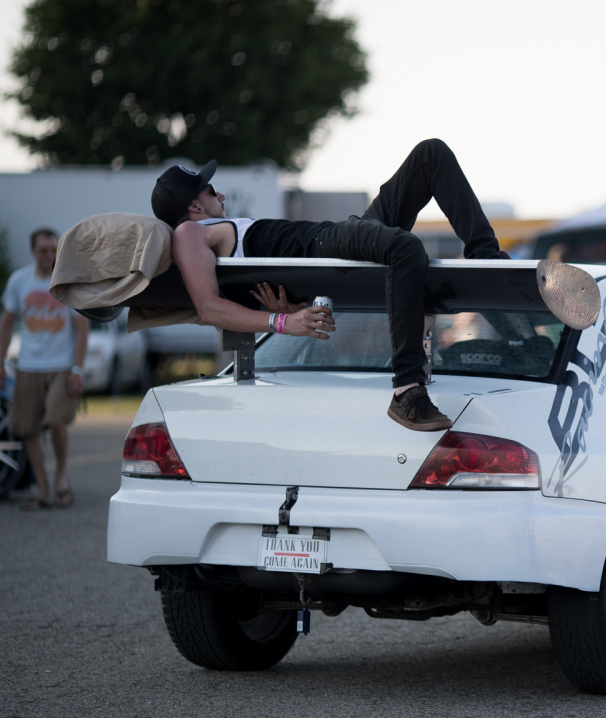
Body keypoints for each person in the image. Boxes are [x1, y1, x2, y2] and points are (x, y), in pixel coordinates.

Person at [155, 138, 507, 432]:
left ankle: (488, 259)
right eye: (211, 190)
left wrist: (286, 303)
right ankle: (407, 389)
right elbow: (209, 307)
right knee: (406, 248)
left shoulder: (210, 233)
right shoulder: (189, 233)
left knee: (431, 155)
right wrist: (282, 322)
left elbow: (244, 288)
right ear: (193, 207)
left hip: (336, 238)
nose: (222, 196)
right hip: (325, 244)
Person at [0, 228, 88, 510]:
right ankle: (43, 489)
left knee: (57, 421)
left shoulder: (67, 280)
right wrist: (1, 362)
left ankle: (61, 478)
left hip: (61, 366)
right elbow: (6, 322)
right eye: (44, 251)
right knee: (28, 429)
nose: (50, 256)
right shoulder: (19, 281)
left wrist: (78, 369)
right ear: (32, 251)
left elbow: (81, 325)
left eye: (54, 250)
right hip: (28, 365)